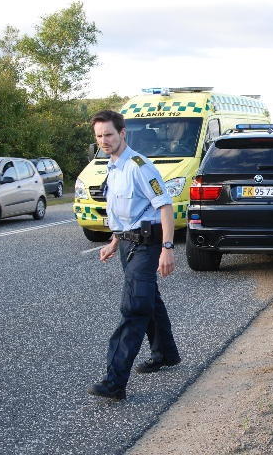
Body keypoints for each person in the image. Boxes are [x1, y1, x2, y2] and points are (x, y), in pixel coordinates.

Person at [87, 110, 180, 401]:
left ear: (123, 133)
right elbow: (126, 214)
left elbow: (164, 207)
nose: (104, 140)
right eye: (99, 136)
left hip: (147, 246)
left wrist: (167, 248)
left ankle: (115, 381)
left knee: (134, 309)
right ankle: (165, 354)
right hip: (127, 244)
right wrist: (113, 242)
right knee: (148, 299)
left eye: (109, 134)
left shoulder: (139, 166)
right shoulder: (112, 167)